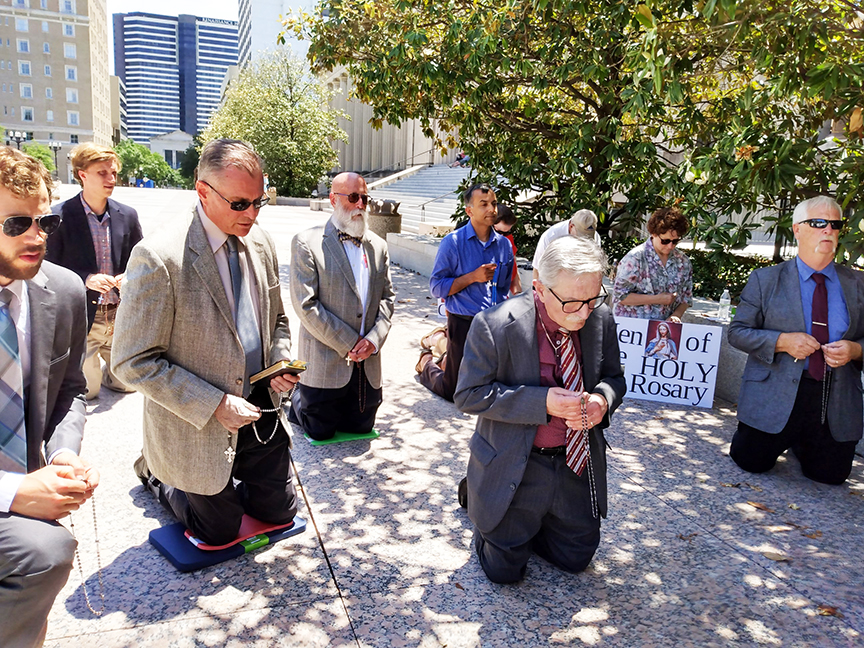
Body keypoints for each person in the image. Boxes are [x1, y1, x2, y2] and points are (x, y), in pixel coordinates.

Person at [112, 139, 298, 546]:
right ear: (202, 192)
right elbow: (130, 361)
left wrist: (281, 360)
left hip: (260, 407)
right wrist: (213, 403)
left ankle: (222, 487)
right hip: (198, 422)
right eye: (238, 204)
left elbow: (278, 320)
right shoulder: (158, 257)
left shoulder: (261, 243)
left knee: (281, 513)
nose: (251, 214)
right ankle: (157, 474)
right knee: (218, 529)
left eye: (258, 202)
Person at [455, 236, 625, 583]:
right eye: (572, 303)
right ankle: (481, 501)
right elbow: (469, 395)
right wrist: (542, 402)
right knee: (503, 572)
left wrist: (602, 400)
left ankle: (533, 520)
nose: (583, 313)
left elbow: (614, 378)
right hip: (518, 459)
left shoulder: (600, 317)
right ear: (540, 289)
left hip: (574, 462)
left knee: (576, 560)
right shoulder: (494, 324)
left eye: (592, 299)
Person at [0, 147, 98, 647]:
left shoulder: (64, 291)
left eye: (45, 221)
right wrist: (12, 493)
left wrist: (62, 456)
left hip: (31, 490)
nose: (37, 236)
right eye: (18, 223)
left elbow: (71, 392)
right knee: (45, 551)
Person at [728, 196, 864, 485]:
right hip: (773, 396)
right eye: (817, 223)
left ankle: (805, 444)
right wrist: (781, 342)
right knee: (750, 462)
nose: (827, 230)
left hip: (834, 400)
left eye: (834, 224)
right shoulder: (765, 280)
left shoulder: (858, 284)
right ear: (797, 229)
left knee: (830, 477)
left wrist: (856, 349)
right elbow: (737, 332)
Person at [288, 172, 395, 440]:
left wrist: (373, 340)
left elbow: (388, 299)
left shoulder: (379, 246)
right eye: (354, 198)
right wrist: (349, 341)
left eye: (365, 199)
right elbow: (305, 305)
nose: (360, 205)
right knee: (319, 430)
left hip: (367, 361)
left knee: (361, 427)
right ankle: (295, 395)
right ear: (333, 199)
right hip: (325, 359)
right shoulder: (307, 243)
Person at [47, 142, 143, 400]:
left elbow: (140, 259)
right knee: (88, 392)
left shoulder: (128, 216)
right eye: (102, 173)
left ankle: (111, 369)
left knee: (127, 385)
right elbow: (48, 268)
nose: (111, 179)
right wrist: (86, 278)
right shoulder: (59, 216)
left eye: (113, 173)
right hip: (85, 318)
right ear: (82, 174)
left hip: (119, 316)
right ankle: (87, 365)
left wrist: (129, 276)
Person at [416, 183, 513, 402]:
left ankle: (444, 349)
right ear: (469, 210)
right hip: (462, 321)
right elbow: (436, 286)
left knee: (490, 384)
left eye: (494, 204)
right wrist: (472, 277)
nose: (492, 209)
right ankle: (427, 362)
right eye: (484, 204)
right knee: (453, 391)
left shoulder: (504, 246)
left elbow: (503, 287)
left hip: (492, 323)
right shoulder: (453, 243)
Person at [612, 206, 693, 323]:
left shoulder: (683, 261)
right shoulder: (635, 258)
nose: (670, 246)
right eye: (665, 241)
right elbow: (620, 296)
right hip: (632, 330)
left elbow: (686, 298)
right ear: (654, 233)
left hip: (665, 330)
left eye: (675, 241)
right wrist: (657, 299)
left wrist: (676, 315)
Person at [532, 209, 601, 281]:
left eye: (587, 238)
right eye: (580, 236)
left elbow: (594, 269)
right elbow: (537, 269)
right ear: (571, 226)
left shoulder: (595, 238)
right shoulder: (550, 236)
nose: (583, 241)